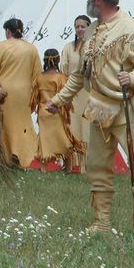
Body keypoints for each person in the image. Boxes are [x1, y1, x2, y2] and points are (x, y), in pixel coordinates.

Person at [46, 0, 134, 238]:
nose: (90, 2)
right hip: (99, 108)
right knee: (97, 168)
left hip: (125, 109)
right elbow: (80, 75)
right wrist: (59, 100)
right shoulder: (92, 30)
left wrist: (133, 77)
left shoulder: (130, 29)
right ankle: (101, 223)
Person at [0, 18, 40, 168]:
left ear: (8, 31)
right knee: (22, 124)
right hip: (24, 91)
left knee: (3, 125)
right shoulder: (31, 49)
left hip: (2, 91)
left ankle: (3, 156)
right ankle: (25, 157)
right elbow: (37, 75)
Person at [31, 49, 83, 171]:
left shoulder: (39, 78)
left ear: (45, 60)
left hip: (44, 112)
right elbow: (67, 97)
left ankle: (44, 168)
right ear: (58, 60)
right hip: (58, 112)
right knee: (64, 139)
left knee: (45, 140)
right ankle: (68, 167)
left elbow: (34, 98)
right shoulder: (62, 78)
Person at [60, 15, 92, 173]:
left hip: (89, 93)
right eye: (77, 27)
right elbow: (64, 71)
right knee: (72, 127)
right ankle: (71, 165)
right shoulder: (68, 48)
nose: (80, 29)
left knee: (87, 127)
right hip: (72, 93)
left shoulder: (95, 47)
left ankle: (86, 166)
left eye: (83, 26)